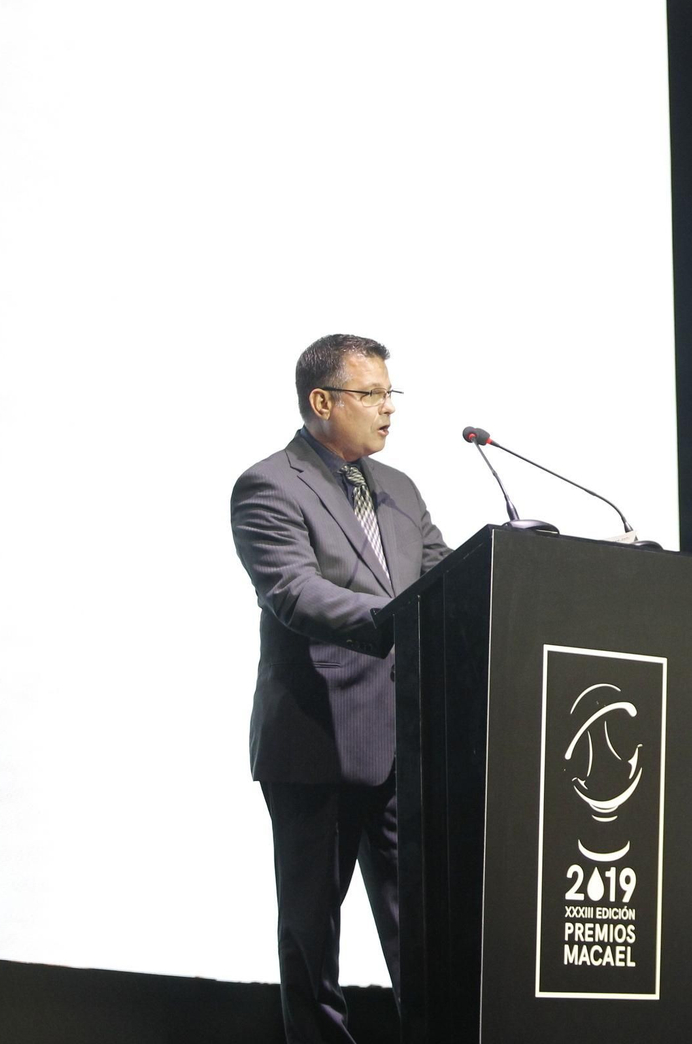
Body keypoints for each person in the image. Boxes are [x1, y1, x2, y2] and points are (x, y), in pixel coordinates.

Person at [231, 334, 450, 1042]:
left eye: (392, 394)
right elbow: (293, 591)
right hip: (316, 741)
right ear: (322, 401)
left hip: (399, 744)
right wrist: (394, 620)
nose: (389, 409)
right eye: (372, 395)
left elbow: (446, 578)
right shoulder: (269, 484)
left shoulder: (401, 489)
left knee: (419, 933)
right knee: (311, 938)